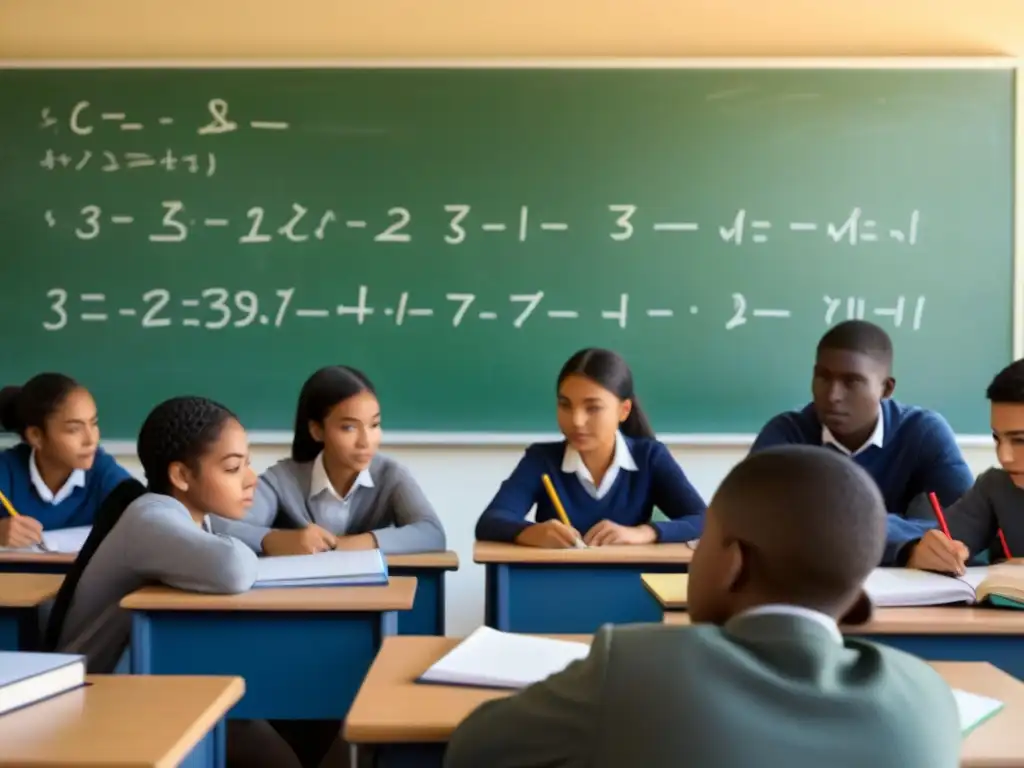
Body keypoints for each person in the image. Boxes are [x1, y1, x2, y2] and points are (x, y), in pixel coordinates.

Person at [445, 446, 961, 768]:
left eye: (704, 541)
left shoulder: (633, 666)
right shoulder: (930, 701)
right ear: (856, 600)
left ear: (733, 563)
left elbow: (473, 751)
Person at [44, 396, 304, 768]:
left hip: (144, 681)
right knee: (272, 753)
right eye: (232, 468)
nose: (251, 479)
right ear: (181, 476)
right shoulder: (152, 519)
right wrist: (256, 541)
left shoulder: (184, 515)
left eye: (247, 464)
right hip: (92, 699)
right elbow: (233, 568)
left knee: (285, 710)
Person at [750, 320, 973, 564]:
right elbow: (750, 519)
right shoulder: (787, 435)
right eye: (823, 377)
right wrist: (904, 545)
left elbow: (971, 528)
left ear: (886, 389)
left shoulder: (924, 433)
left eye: (851, 382)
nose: (833, 395)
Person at [475, 348, 705, 547]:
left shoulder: (650, 457)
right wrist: (530, 532)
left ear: (623, 410)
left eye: (592, 408)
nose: (576, 420)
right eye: (565, 405)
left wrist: (643, 533)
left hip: (631, 585)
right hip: (555, 585)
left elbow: (704, 520)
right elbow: (490, 521)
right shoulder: (541, 459)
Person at [212, 365, 445, 555]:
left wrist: (345, 545)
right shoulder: (282, 479)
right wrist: (278, 540)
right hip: (299, 602)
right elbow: (217, 525)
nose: (366, 441)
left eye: (374, 425)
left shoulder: (390, 475)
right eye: (349, 427)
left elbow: (432, 533)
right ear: (317, 431)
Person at [905, 359, 1024, 572]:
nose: (1004, 457)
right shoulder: (995, 487)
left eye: (1020, 440)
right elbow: (944, 543)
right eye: (997, 438)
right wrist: (923, 553)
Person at [0, 373, 130, 548]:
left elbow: (148, 512)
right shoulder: (6, 469)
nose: (91, 439)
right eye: (74, 429)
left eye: (94, 423)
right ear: (36, 436)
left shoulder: (101, 468)